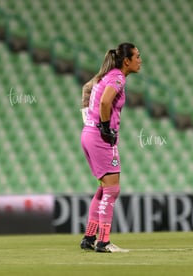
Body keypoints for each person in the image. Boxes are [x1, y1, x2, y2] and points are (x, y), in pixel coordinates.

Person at [79, 42, 142, 253]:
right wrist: (104, 127)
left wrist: (87, 119)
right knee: (113, 189)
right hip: (99, 137)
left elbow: (87, 88)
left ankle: (90, 236)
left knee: (104, 188)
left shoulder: (106, 75)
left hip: (89, 134)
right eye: (137, 56)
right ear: (127, 61)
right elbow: (106, 102)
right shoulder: (117, 77)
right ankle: (103, 241)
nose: (140, 60)